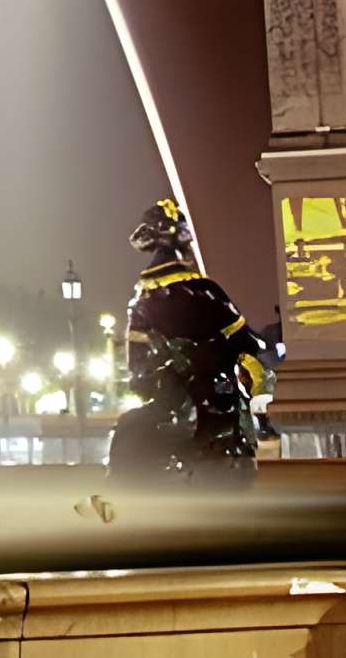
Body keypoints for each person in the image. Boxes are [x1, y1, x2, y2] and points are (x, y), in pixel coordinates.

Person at [110, 198, 261, 479]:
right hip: (220, 401)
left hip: (177, 400)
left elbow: (137, 364)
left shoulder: (144, 301)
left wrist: (145, 378)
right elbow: (248, 341)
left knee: (129, 429)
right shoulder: (208, 290)